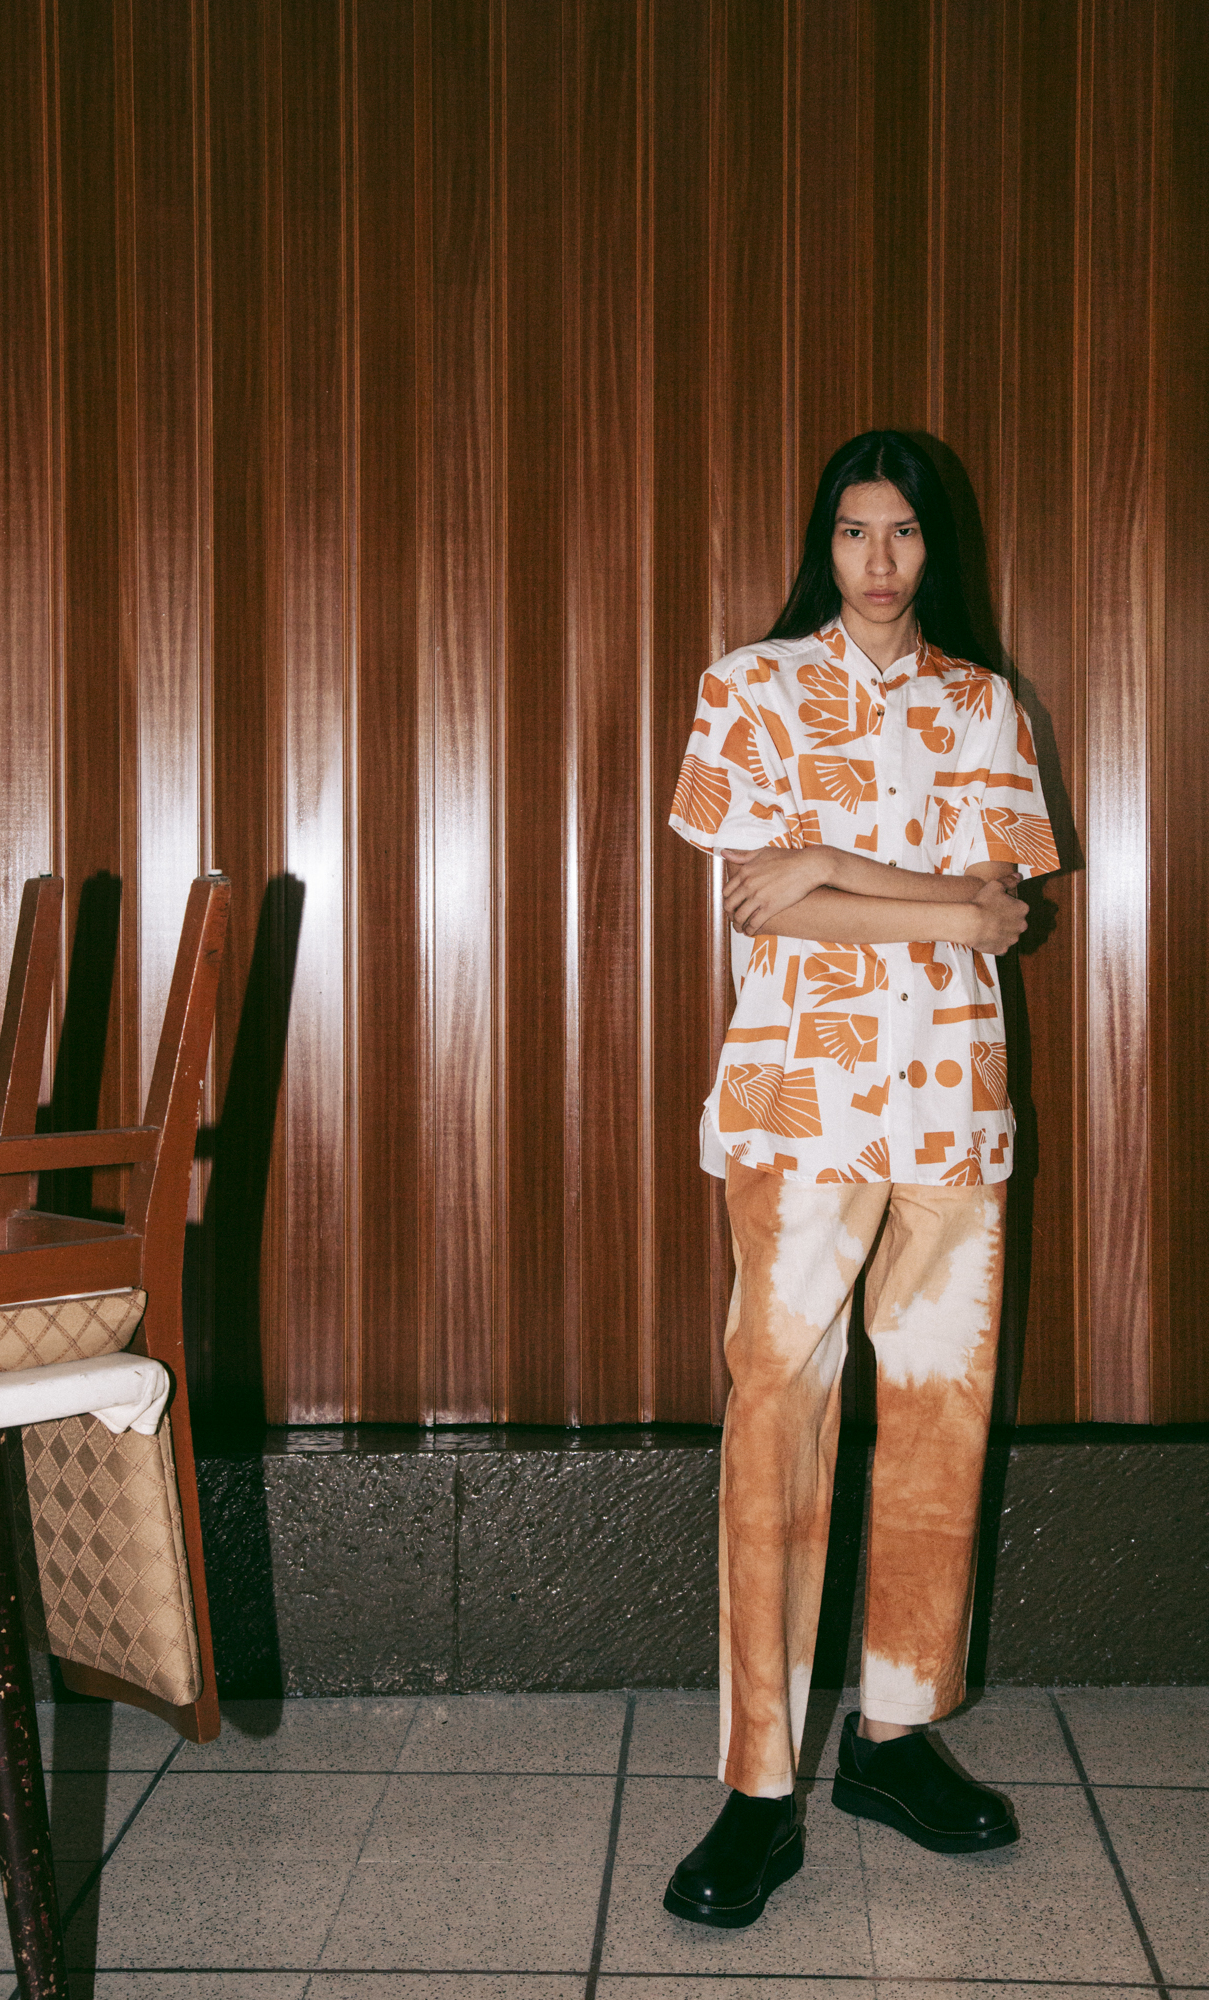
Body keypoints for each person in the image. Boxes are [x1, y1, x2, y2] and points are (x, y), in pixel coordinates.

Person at [663, 430, 1059, 1930]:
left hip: (950, 1100)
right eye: (852, 531)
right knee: (777, 1411)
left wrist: (837, 872)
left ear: (934, 546)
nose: (879, 561)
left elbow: (1006, 913)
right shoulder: (749, 687)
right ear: (821, 543)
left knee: (941, 1410)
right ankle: (757, 1785)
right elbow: (756, 896)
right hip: (800, 1103)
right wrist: (939, 903)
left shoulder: (983, 704)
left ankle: (894, 1739)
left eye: (903, 532)